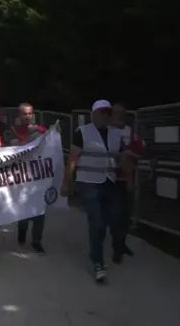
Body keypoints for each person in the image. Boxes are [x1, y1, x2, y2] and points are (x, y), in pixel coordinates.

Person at [61, 100, 130, 282]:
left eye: (107, 112)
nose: (105, 116)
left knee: (114, 218)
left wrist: (129, 179)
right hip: (87, 181)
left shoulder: (116, 134)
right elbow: (73, 159)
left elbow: (121, 158)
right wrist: (66, 182)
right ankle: (97, 262)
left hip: (109, 181)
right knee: (97, 221)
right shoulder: (82, 132)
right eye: (101, 112)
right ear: (93, 114)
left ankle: (116, 247)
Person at [110, 102, 155, 262]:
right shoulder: (106, 132)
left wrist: (151, 156)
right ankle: (116, 246)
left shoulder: (130, 132)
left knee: (126, 214)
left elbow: (142, 147)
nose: (119, 116)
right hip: (112, 179)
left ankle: (121, 243)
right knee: (115, 214)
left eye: (122, 113)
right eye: (116, 113)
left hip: (128, 180)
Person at [2, 103, 47, 253]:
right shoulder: (11, 132)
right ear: (19, 116)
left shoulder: (41, 131)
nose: (27, 116)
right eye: (24, 114)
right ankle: (22, 233)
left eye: (29, 113)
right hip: (20, 177)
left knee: (40, 209)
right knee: (24, 208)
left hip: (37, 175)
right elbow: (9, 150)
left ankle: (37, 240)